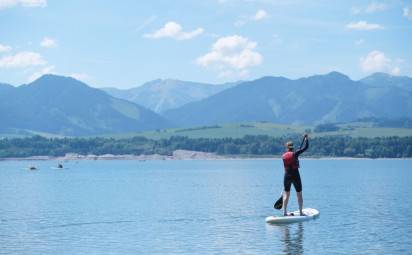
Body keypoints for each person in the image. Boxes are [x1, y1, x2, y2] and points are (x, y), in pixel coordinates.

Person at [282, 134, 309, 216]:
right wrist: (306, 139)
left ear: (287, 148)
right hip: (295, 175)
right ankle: (301, 212)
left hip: (287, 176)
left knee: (286, 194)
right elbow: (306, 147)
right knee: (299, 194)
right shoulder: (295, 153)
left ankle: (285, 212)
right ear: (292, 147)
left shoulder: (283, 156)